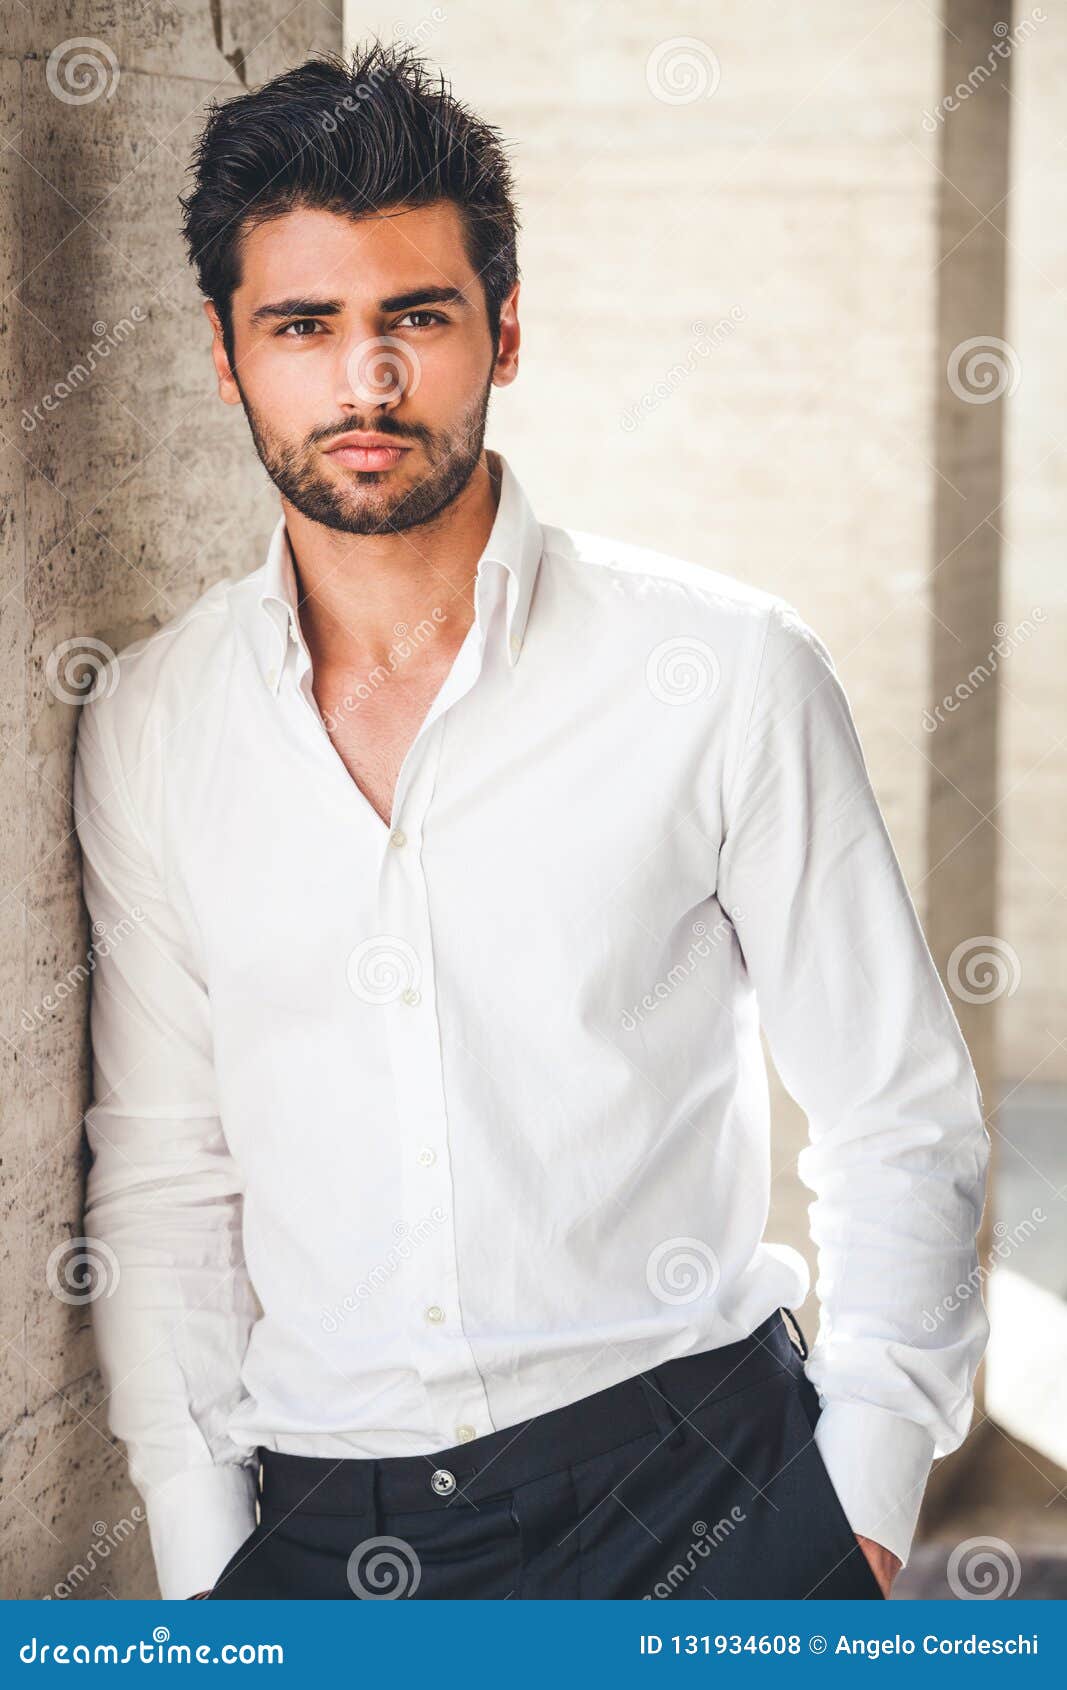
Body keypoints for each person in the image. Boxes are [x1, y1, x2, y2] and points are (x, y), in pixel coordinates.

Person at [73, 40, 989, 1603]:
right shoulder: (154, 723)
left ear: (503, 329)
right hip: (312, 1532)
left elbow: (899, 1113)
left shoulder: (724, 670)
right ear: (228, 356)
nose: (364, 382)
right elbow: (169, 1176)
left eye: (413, 319)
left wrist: (860, 1517)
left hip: (707, 1488)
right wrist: (203, 1563)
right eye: (303, 325)